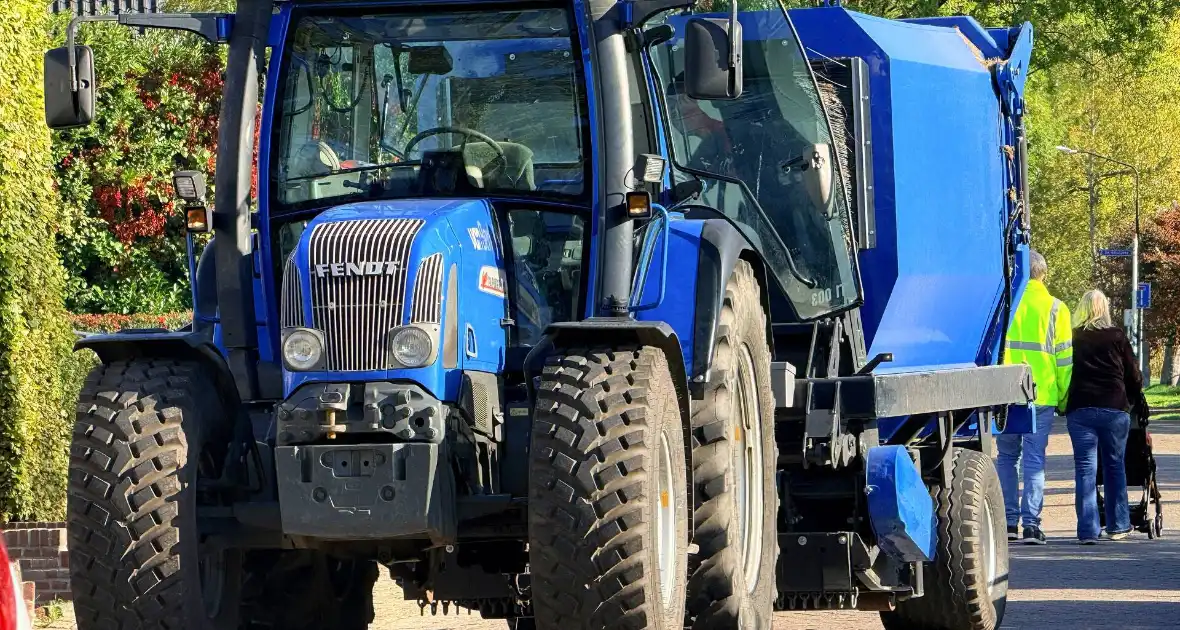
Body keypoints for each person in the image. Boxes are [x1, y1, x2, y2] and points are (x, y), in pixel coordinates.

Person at [998, 250, 1072, 545]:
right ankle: (1031, 525)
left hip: (1003, 392)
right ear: (1044, 273)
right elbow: (1064, 360)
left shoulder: (1004, 304)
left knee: (1005, 458)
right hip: (1041, 394)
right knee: (1034, 460)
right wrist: (1064, 398)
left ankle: (1007, 522)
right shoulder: (1056, 309)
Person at [1065, 289, 1143, 544]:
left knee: (1085, 470)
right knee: (1114, 466)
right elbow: (1133, 374)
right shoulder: (1117, 336)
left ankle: (1088, 530)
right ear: (1105, 309)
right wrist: (1130, 401)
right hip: (1113, 407)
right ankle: (1118, 525)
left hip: (1081, 409)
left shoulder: (1073, 337)